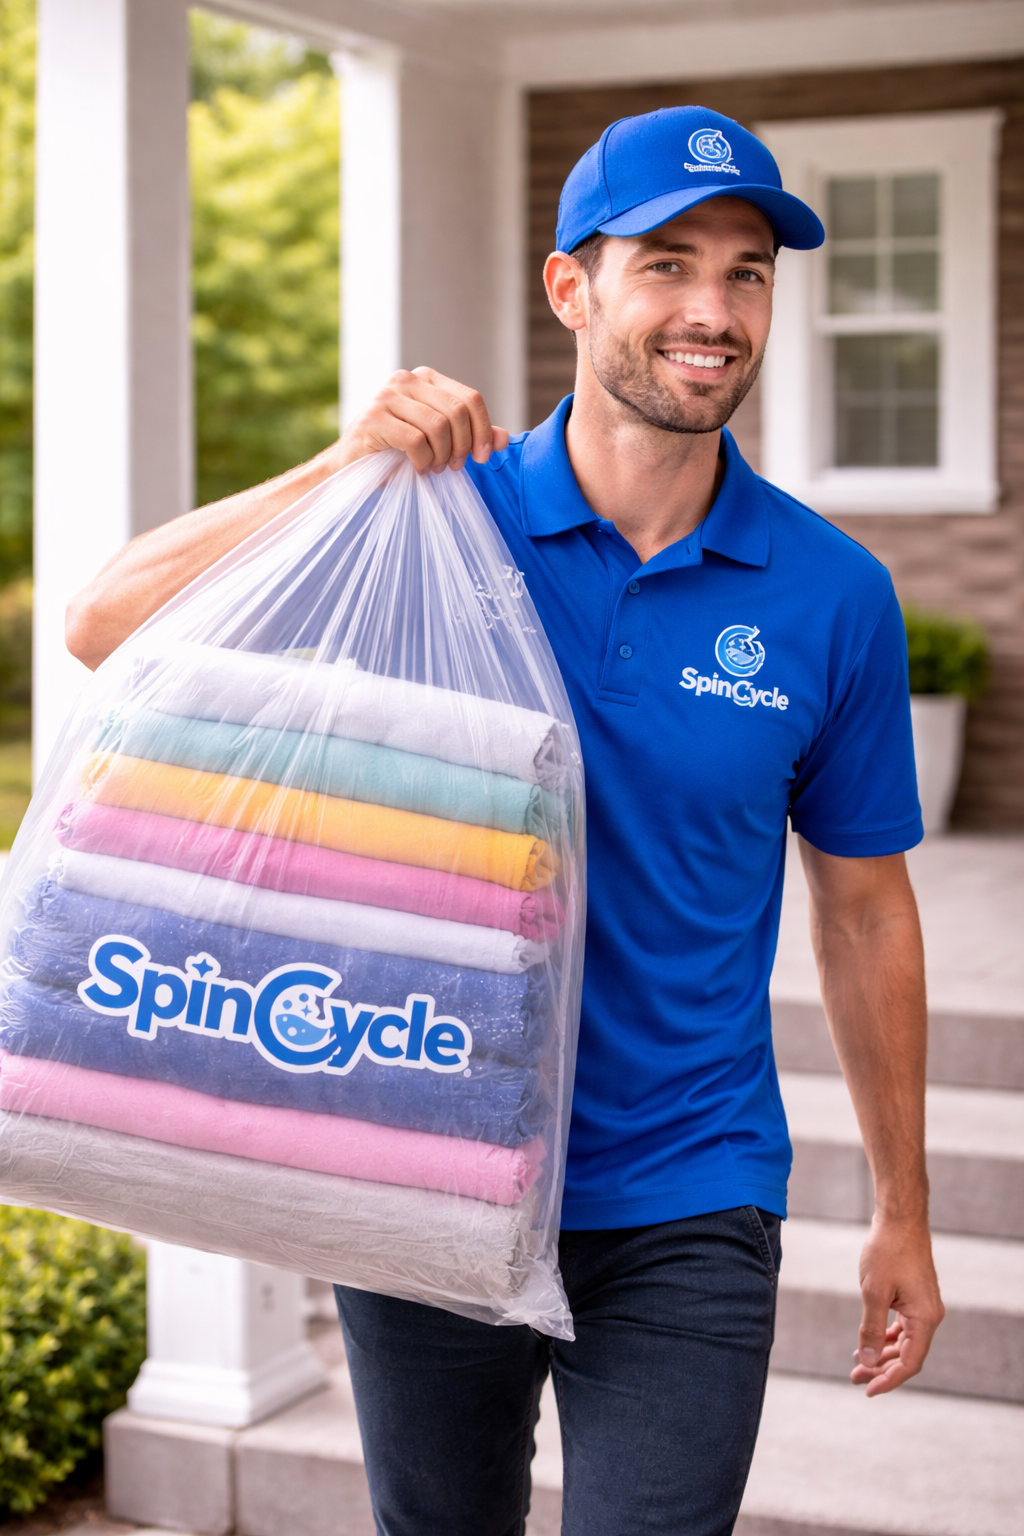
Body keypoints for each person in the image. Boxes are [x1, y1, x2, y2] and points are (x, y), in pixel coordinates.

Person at [68, 105, 944, 1536]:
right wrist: (342, 467)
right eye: (666, 264)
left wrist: (903, 1204)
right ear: (571, 288)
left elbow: (863, 906)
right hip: (425, 1162)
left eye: (747, 273)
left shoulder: (829, 594)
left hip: (687, 1187)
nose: (713, 312)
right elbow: (107, 624)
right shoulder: (423, 518)